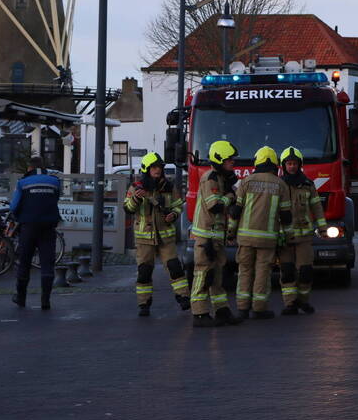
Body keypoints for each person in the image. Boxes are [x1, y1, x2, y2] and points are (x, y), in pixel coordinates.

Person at [123, 152, 190, 317]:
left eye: (159, 167)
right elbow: (128, 209)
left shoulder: (168, 187)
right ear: (147, 169)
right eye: (154, 167)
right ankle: (144, 304)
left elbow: (178, 206)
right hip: (144, 238)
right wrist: (136, 200)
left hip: (166, 237)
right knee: (144, 271)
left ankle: (183, 298)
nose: (157, 170)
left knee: (174, 268)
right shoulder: (136, 187)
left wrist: (173, 215)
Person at [230, 146, 290, 319]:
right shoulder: (281, 185)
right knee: (263, 273)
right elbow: (285, 216)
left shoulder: (246, 182)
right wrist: (287, 236)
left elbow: (236, 211)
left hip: (245, 238)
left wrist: (231, 233)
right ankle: (259, 308)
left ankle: (242, 309)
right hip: (268, 240)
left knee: (245, 271)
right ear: (275, 164)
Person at [190, 140, 243, 328]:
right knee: (203, 274)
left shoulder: (221, 178)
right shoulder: (210, 178)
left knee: (217, 276)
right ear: (219, 159)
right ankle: (199, 313)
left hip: (215, 236)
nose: (233, 163)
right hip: (206, 237)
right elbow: (215, 206)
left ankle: (221, 311)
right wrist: (231, 196)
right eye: (229, 160)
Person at [278, 146, 327, 315]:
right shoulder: (279, 185)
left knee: (305, 271)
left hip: (304, 236)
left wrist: (322, 228)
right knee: (287, 271)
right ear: (283, 165)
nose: (292, 167)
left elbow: (317, 207)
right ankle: (290, 304)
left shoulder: (308, 185)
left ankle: (303, 301)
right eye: (289, 164)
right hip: (285, 237)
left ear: (300, 165)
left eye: (294, 164)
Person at [9, 157, 62, 310]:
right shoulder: (54, 182)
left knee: (24, 261)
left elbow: (14, 206)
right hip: (48, 226)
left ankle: (21, 297)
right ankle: (45, 300)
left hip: (28, 226)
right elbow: (56, 199)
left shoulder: (22, 183)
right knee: (47, 263)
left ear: (29, 168)